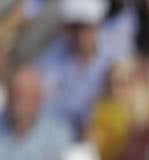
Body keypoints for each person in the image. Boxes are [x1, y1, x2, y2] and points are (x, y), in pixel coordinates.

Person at [36, 0, 127, 132]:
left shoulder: (113, 62)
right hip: (51, 132)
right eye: (75, 26)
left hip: (94, 135)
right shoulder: (51, 56)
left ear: (97, 25)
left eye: (86, 26)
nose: (80, 33)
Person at [0, 66, 76, 160]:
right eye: (14, 94)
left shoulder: (59, 134)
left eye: (23, 95)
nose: (18, 102)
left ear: (38, 98)